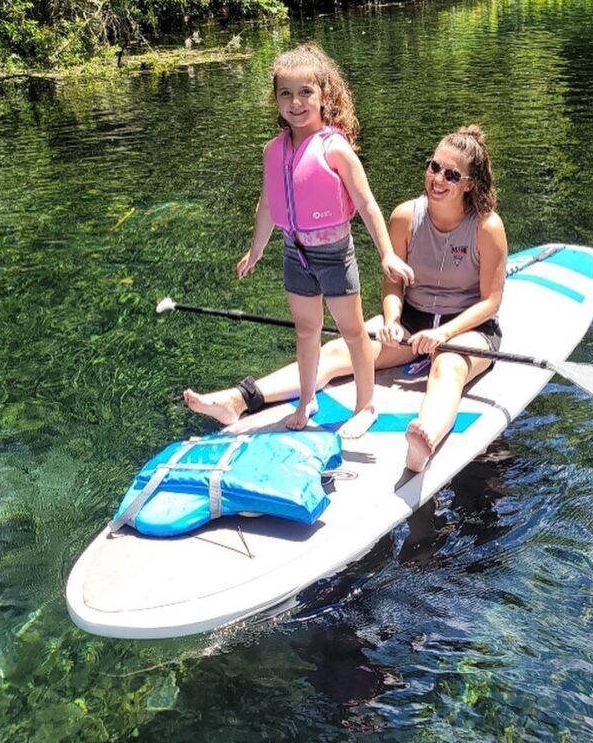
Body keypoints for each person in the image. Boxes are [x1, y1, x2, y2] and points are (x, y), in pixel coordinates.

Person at [184, 124, 507, 473]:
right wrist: (392, 320)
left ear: (469, 184)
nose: (437, 179)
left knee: (448, 366)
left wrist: (444, 335)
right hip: (413, 319)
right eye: (433, 167)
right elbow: (393, 286)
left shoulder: (487, 226)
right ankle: (239, 399)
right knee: (339, 350)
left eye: (451, 174)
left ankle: (422, 440)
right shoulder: (404, 216)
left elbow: (490, 302)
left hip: (467, 329)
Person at [205, 42, 413, 439]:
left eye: (305, 92)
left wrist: (387, 253)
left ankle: (366, 404)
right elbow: (267, 205)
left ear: (324, 96)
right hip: (293, 252)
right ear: (276, 100)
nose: (296, 102)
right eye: (286, 93)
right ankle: (306, 401)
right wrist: (255, 251)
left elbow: (367, 205)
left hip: (334, 253)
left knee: (352, 331)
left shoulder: (335, 148)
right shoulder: (273, 151)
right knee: (306, 330)